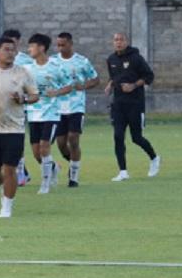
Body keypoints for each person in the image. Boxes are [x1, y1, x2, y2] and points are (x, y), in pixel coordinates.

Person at [0, 36, 39, 219]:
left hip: (14, 129)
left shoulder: (23, 73)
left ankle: (7, 206)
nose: (11, 53)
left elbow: (35, 95)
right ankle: (5, 188)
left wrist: (23, 99)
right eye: (6, 49)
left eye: (13, 50)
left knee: (10, 169)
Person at [104, 32, 160, 181]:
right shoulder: (111, 59)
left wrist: (134, 85)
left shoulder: (136, 58)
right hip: (118, 105)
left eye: (121, 40)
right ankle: (123, 171)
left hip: (135, 104)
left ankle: (154, 158)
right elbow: (114, 76)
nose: (118, 43)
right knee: (118, 136)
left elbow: (149, 76)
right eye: (116, 40)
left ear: (126, 41)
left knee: (136, 138)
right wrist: (110, 85)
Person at [25, 33, 73, 194]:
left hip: (51, 113)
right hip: (33, 114)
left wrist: (57, 92)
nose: (29, 49)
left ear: (41, 48)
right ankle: (53, 167)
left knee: (45, 147)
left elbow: (69, 86)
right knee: (37, 153)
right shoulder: (27, 68)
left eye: (31, 46)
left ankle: (45, 183)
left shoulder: (56, 66)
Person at [53, 32, 100, 187]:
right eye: (58, 45)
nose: (60, 48)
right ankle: (74, 162)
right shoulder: (53, 61)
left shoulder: (82, 61)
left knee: (73, 138)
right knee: (61, 143)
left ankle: (73, 176)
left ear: (70, 44)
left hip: (76, 106)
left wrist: (84, 86)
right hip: (58, 108)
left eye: (63, 45)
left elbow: (95, 79)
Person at [1, 28, 35, 186]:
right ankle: (21, 171)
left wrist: (24, 97)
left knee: (16, 140)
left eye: (13, 42)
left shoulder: (27, 61)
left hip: (22, 107)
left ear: (18, 42)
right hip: (3, 107)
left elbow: (31, 84)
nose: (10, 47)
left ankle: (21, 172)